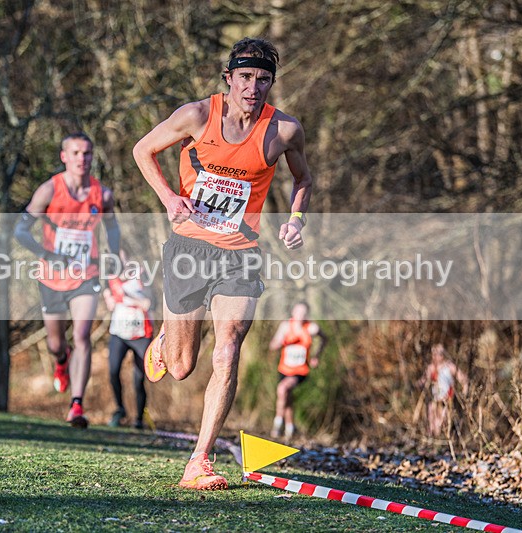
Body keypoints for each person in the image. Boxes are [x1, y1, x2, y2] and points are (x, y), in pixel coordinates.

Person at [133, 37, 314, 490]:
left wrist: (295, 219)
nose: (254, 88)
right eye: (246, 77)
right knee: (180, 366)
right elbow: (142, 150)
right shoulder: (196, 115)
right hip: (189, 249)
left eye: (264, 79)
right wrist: (170, 197)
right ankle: (166, 341)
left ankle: (199, 460)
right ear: (229, 78)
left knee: (229, 346)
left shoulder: (285, 131)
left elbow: (303, 177)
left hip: (240, 254)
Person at [14, 132, 120, 428]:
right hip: (51, 277)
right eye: (75, 153)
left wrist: (113, 257)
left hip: (86, 276)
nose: (81, 159)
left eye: (86, 153)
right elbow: (20, 231)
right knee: (55, 343)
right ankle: (62, 360)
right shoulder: (49, 190)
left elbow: (113, 230)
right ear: (64, 156)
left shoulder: (104, 195)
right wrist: (45, 254)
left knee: (83, 335)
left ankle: (76, 405)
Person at [102, 252, 153, 429]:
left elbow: (148, 302)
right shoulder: (110, 278)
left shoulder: (142, 273)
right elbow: (110, 304)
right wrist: (110, 295)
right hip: (119, 332)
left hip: (141, 333)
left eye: (121, 255)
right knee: (113, 371)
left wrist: (127, 299)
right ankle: (120, 409)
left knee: (139, 378)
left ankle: (138, 418)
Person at [268, 301, 326, 441]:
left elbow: (325, 339)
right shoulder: (286, 326)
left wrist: (316, 356)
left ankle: (277, 425)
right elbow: (273, 346)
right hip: (284, 369)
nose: (300, 315)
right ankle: (289, 429)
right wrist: (281, 341)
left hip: (300, 371)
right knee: (286, 398)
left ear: (307, 314)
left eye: (303, 313)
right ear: (293, 312)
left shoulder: (311, 328)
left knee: (282, 389)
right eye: (298, 312)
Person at [417, 343, 469, 437]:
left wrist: (464, 391)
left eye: (437, 354)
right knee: (431, 417)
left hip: (446, 399)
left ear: (442, 355)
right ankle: (432, 439)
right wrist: (418, 384)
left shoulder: (450, 366)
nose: (435, 356)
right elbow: (424, 380)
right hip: (434, 399)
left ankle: (443, 439)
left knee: (442, 421)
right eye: (433, 354)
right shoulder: (431, 367)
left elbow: (462, 379)